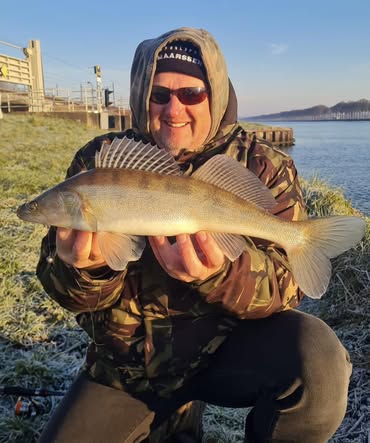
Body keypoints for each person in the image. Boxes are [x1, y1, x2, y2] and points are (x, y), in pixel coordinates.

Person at [37, 27, 352, 443]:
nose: (174, 109)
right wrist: (86, 270)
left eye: (191, 94)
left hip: (224, 352)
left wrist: (219, 275)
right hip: (129, 369)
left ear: (215, 95)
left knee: (319, 363)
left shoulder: (262, 165)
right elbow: (64, 290)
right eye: (159, 95)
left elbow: (287, 286)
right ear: (140, 97)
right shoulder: (98, 163)